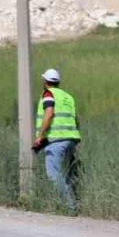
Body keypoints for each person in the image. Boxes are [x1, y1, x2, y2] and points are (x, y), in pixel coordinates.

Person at [33, 67, 82, 213]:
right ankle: (70, 206)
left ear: (45, 81)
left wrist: (40, 136)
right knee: (64, 175)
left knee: (53, 175)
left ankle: (71, 208)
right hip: (71, 140)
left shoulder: (48, 94)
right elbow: (76, 120)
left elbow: (49, 114)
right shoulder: (68, 97)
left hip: (56, 140)